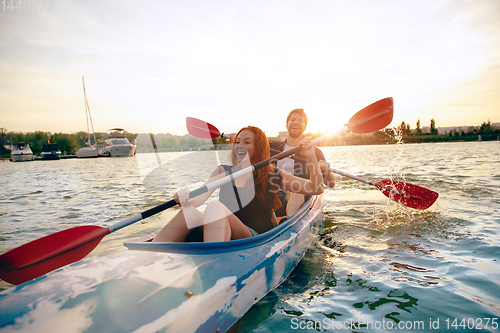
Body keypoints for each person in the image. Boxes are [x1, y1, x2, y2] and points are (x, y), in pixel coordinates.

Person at [152, 125, 324, 243]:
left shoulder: (272, 174)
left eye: (247, 142)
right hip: (221, 230)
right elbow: (197, 200)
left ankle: (214, 268)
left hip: (255, 239)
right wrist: (185, 196)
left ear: (259, 148)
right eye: (238, 142)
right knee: (188, 212)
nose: (239, 146)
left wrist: (310, 156)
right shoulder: (223, 171)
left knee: (214, 207)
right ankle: (144, 259)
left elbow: (315, 188)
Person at [270, 108, 335, 217]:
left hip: (300, 197)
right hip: (273, 195)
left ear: (305, 127)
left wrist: (326, 171)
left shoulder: (315, 152)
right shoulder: (272, 147)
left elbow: (330, 183)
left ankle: (289, 221)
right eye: (293, 119)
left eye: (300, 121)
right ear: (287, 124)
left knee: (296, 188)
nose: (296, 122)